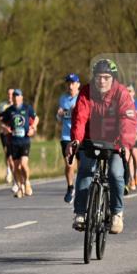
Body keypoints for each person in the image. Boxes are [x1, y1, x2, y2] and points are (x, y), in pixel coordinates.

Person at [68, 58, 137, 235]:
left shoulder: (121, 94)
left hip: (115, 142)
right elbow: (80, 117)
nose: (102, 81)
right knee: (85, 170)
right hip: (91, 140)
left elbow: (128, 121)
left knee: (115, 174)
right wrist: (76, 140)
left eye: (106, 77)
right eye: (99, 77)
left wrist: (125, 143)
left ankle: (117, 213)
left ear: (112, 78)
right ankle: (80, 213)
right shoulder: (86, 91)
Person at [0, 89, 38, 198]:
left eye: (18, 96)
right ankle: (20, 187)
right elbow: (1, 120)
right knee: (16, 167)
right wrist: (5, 128)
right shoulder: (10, 110)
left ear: (21, 97)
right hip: (14, 142)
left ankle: (27, 182)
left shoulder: (27, 108)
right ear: (12, 98)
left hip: (25, 141)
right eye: (14, 96)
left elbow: (36, 118)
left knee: (24, 165)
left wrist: (33, 127)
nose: (16, 98)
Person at [57, 74, 81, 203]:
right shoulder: (63, 98)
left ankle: (82, 187)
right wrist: (59, 114)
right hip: (67, 136)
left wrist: (76, 111)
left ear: (78, 84)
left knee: (82, 166)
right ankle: (70, 187)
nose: (70, 85)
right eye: (68, 83)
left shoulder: (82, 97)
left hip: (80, 136)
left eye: (72, 83)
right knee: (69, 163)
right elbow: (60, 117)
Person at [0, 88, 16, 190]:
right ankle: (9, 170)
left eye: (11, 94)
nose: (9, 96)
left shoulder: (17, 105)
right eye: (8, 94)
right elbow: (0, 118)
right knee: (7, 154)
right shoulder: (3, 105)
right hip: (4, 133)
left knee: (14, 157)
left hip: (15, 134)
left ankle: (15, 180)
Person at [127, 84, 137, 192]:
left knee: (135, 155)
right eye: (127, 91)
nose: (128, 93)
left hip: (135, 132)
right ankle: (131, 179)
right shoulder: (122, 103)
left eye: (130, 91)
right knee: (128, 158)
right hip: (125, 133)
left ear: (133, 93)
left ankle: (136, 174)